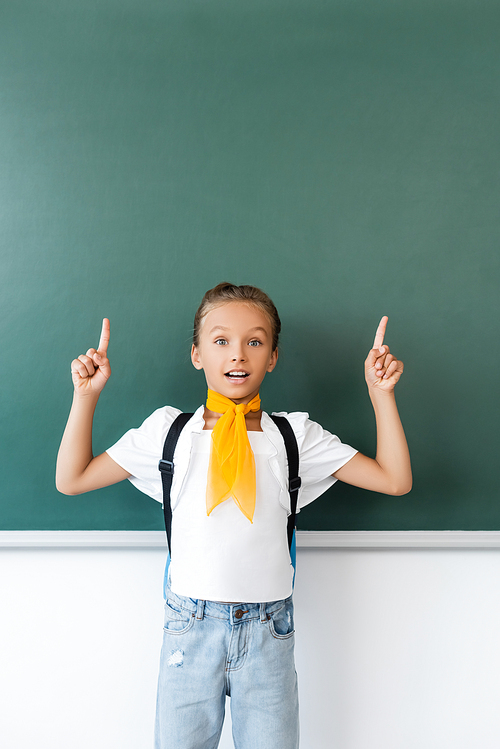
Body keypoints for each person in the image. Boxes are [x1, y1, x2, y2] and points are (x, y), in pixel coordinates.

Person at [56, 282, 411, 749]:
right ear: (197, 354)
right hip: (189, 630)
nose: (238, 355)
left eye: (255, 341)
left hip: (269, 633)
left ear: (273, 357)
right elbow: (73, 478)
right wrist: (86, 397)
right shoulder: (169, 432)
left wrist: (380, 394)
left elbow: (393, 479)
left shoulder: (293, 436)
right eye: (221, 341)